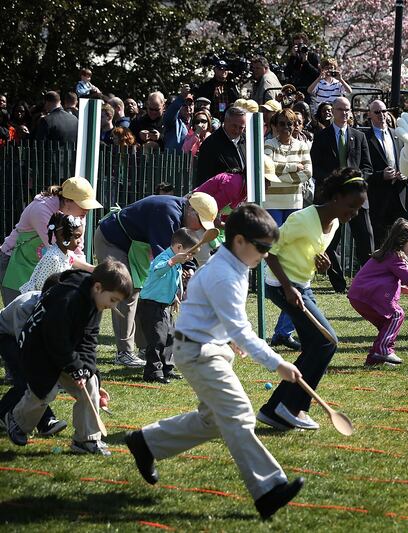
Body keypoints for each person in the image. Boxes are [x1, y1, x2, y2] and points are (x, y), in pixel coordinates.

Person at [124, 204, 305, 519]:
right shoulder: (224, 273)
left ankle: (146, 442)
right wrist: (277, 363)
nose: (265, 254)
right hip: (198, 352)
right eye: (261, 247)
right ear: (238, 241)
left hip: (209, 347)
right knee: (238, 415)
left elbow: (217, 312)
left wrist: (230, 337)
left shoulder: (234, 265)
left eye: (268, 248)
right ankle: (269, 489)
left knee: (212, 421)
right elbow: (241, 328)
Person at [257, 167, 366, 430]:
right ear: (336, 197)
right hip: (281, 285)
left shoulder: (336, 222)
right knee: (327, 342)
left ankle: (273, 410)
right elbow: (269, 252)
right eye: (351, 206)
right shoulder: (301, 219)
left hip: (301, 285)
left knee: (315, 346)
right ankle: (293, 407)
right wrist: (287, 288)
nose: (353, 214)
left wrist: (323, 266)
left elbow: (308, 253)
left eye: (358, 209)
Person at [5, 260, 133, 455]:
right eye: (113, 300)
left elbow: (89, 340)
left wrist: (87, 370)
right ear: (98, 287)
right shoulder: (69, 296)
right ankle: (17, 422)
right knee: (44, 392)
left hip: (64, 350)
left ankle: (86, 440)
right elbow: (56, 337)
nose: (112, 306)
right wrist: (74, 366)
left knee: (90, 384)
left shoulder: (94, 303)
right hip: (38, 350)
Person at [93, 192, 217, 368]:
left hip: (134, 246)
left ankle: (147, 348)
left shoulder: (180, 214)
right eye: (200, 221)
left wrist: (188, 268)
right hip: (112, 240)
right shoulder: (167, 213)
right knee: (126, 291)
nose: (199, 229)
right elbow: (164, 254)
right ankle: (125, 353)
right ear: (191, 210)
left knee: (145, 292)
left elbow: (178, 251)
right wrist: (182, 271)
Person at [0, 177, 101, 306]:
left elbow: (76, 249)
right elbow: (61, 248)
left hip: (44, 267)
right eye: (83, 204)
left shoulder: (78, 215)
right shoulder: (41, 210)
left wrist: (85, 274)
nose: (86, 210)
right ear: (67, 201)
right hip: (15, 264)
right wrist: (91, 269)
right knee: (19, 319)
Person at [348, 219, 408, 366]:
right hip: (368, 295)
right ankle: (383, 350)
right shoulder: (395, 257)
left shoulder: (385, 255)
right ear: (401, 241)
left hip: (359, 296)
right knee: (396, 314)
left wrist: (400, 288)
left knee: (386, 324)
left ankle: (374, 359)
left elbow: (380, 277)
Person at [310, 96, 373, 292]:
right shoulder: (322, 136)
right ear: (333, 111)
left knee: (365, 239)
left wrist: (354, 181)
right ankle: (338, 284)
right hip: (333, 198)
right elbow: (315, 167)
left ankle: (367, 281)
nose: (344, 113)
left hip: (356, 197)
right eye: (340, 109)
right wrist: (335, 183)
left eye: (347, 110)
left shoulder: (359, 136)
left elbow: (367, 167)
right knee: (329, 242)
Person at [264, 108, 313, 350]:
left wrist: (281, 171)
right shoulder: (268, 144)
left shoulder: (303, 145)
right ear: (274, 126)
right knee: (275, 258)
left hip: (294, 205)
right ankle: (281, 325)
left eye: (290, 124)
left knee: (293, 262)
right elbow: (268, 172)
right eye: (281, 124)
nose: (286, 128)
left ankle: (283, 331)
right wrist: (292, 169)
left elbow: (307, 173)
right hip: (272, 206)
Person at [0, 273, 65, 438]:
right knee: (26, 380)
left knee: (35, 380)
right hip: (7, 336)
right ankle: (44, 421)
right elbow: (24, 343)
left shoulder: (57, 307)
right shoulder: (25, 306)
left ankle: (45, 423)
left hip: (24, 340)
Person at [137, 228, 198, 383]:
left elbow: (171, 282)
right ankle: (153, 372)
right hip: (150, 305)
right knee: (157, 339)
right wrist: (172, 261)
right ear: (178, 248)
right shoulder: (164, 258)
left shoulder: (177, 263)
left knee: (170, 337)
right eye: (189, 253)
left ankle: (166, 368)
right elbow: (157, 271)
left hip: (164, 306)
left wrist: (175, 298)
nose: (190, 257)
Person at [365, 99, 408, 248]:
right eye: (377, 112)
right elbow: (363, 170)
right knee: (380, 242)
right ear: (369, 115)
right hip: (378, 198)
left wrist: (406, 174)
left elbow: (406, 160)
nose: (382, 115)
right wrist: (380, 175)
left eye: (384, 111)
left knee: (401, 240)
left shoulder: (397, 135)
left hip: (399, 195)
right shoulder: (364, 137)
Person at [19, 213, 85, 293]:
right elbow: (41, 286)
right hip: (36, 299)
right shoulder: (53, 258)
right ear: (62, 236)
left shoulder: (68, 254)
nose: (79, 241)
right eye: (76, 237)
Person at [195, 106, 247, 187]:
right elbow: (203, 180)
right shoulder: (210, 145)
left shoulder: (247, 140)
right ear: (225, 122)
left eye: (241, 128)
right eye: (234, 126)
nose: (237, 131)